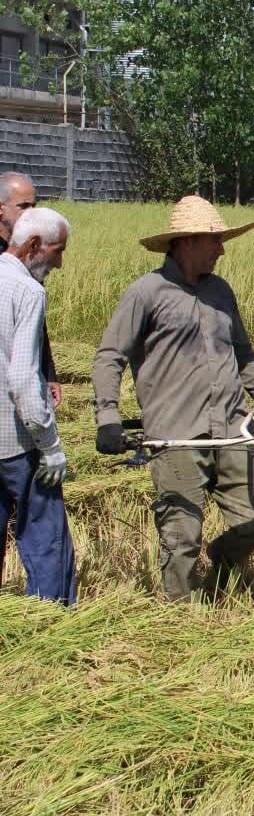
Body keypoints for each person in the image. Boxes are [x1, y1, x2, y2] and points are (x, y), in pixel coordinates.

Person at [92, 196, 254, 602]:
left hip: (231, 428)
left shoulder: (221, 292)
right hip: (176, 435)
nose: (222, 249)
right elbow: (109, 357)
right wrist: (108, 417)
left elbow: (244, 358)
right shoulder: (146, 293)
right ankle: (181, 618)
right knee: (180, 536)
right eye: (215, 241)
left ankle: (221, 565)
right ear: (187, 242)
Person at [0, 208, 75, 604]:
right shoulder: (28, 291)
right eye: (58, 251)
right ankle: (50, 623)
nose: (59, 263)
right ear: (32, 246)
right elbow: (23, 380)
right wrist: (49, 446)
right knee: (46, 538)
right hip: (17, 443)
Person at [0, 172, 59, 409]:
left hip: (25, 372)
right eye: (23, 206)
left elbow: (36, 324)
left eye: (34, 206)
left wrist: (49, 372)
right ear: (0, 209)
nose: (31, 213)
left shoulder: (30, 254)